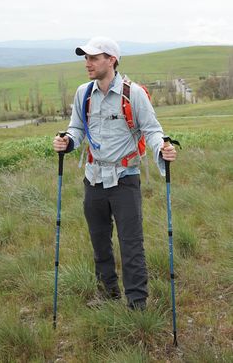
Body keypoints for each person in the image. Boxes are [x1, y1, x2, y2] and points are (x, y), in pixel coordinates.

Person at [53, 36, 177, 311]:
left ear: (112, 60)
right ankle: (108, 294)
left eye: (94, 58)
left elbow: (152, 130)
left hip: (125, 178)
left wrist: (162, 149)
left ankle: (137, 304)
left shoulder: (133, 93)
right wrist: (67, 141)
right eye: (86, 58)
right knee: (99, 241)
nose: (88, 63)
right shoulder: (82, 93)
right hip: (93, 178)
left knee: (131, 244)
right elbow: (76, 128)